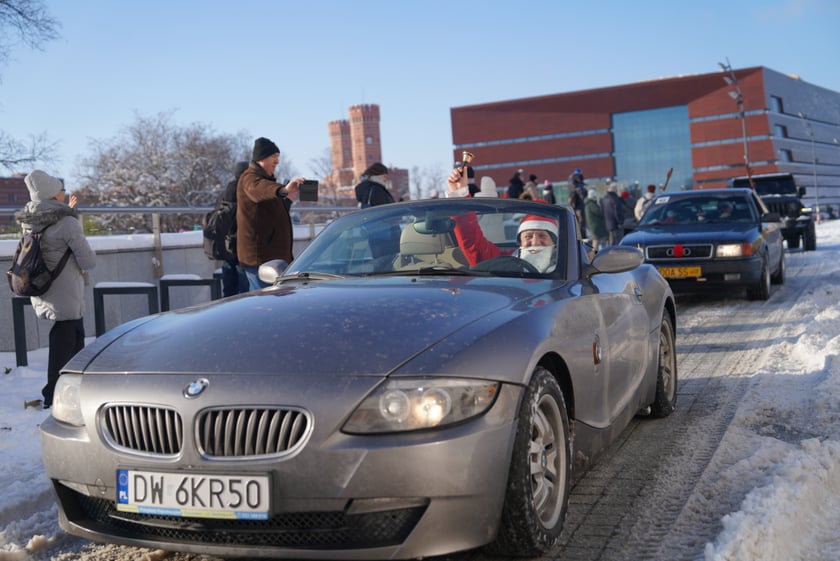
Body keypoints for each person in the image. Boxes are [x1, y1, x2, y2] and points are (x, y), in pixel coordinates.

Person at [15, 170, 96, 408]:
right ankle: (54, 394)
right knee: (67, 342)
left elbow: (53, 238)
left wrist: (69, 213)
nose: (64, 193)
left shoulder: (30, 220)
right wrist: (72, 218)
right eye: (61, 190)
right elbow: (88, 261)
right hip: (65, 290)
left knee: (72, 336)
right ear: (52, 194)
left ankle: (71, 391)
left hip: (44, 285)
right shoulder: (67, 223)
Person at [445, 168, 559, 273]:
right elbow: (472, 242)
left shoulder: (566, 267)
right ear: (520, 243)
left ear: (554, 242)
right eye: (528, 237)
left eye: (542, 236)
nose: (535, 242)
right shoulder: (505, 263)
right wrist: (459, 193)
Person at [237, 137, 304, 290]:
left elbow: (272, 211)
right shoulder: (249, 178)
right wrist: (283, 189)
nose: (277, 161)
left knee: (270, 299)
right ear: (262, 158)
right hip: (260, 259)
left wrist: (288, 198)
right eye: (274, 157)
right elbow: (260, 189)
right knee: (263, 299)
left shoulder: (266, 181)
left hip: (271, 259)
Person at [218, 161, 249, 296]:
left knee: (229, 288)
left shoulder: (226, 192)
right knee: (244, 288)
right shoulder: (246, 191)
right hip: (242, 244)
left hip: (227, 243)